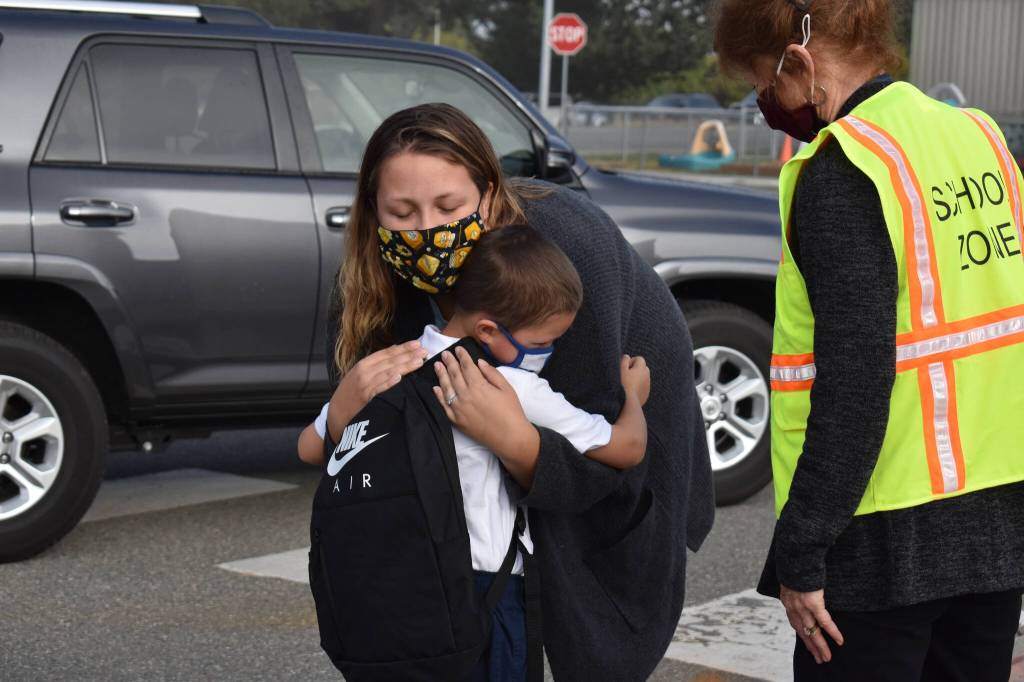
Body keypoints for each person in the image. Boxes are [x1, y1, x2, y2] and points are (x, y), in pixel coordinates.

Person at [302, 103, 715, 681]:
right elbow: (355, 449)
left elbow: (602, 453)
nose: (425, 229)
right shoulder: (369, 286)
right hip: (485, 512)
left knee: (584, 630)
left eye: (448, 207)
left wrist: (517, 443)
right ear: (373, 214)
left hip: (619, 427)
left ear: (490, 198)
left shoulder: (562, 254)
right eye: (401, 212)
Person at [713, 0, 1024, 679]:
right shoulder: (979, 136)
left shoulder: (845, 166)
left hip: (881, 535)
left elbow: (855, 379)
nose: (768, 103)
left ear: (798, 60)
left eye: (767, 83)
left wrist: (802, 547)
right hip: (1001, 518)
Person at [298, 224, 651, 680]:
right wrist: (634, 397)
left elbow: (309, 448)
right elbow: (628, 447)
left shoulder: (390, 366)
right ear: (488, 329)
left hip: (395, 589)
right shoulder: (510, 385)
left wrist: (347, 398)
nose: (548, 352)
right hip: (484, 595)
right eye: (542, 343)